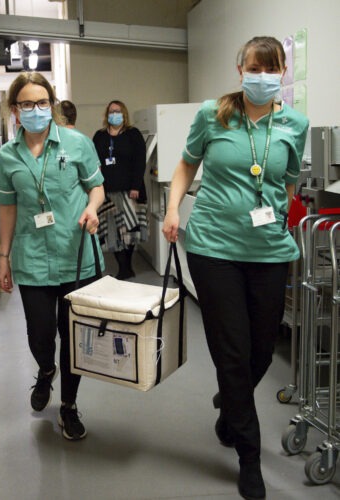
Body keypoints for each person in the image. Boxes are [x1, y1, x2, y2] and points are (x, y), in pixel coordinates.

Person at [162, 36, 308, 499]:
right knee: (232, 349)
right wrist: (172, 208)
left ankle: (230, 404)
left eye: (271, 69)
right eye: (254, 68)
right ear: (239, 69)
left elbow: (287, 184)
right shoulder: (214, 114)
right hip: (214, 248)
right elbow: (186, 165)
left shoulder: (295, 123)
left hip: (268, 251)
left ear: (282, 72)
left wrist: (273, 216)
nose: (262, 76)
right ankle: (249, 455)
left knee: (260, 352)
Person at [0, 71, 105, 441]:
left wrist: (92, 209)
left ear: (52, 104)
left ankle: (69, 407)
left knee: (74, 337)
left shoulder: (76, 143)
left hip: (76, 256)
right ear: (15, 110)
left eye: (43, 103)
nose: (37, 110)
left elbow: (97, 189)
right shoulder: (8, 156)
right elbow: (7, 208)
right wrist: (3, 256)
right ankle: (45, 371)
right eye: (27, 104)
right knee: (40, 334)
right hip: (33, 258)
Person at [93, 100, 148, 279]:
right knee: (111, 232)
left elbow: (140, 161)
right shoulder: (100, 136)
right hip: (107, 191)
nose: (114, 114)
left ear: (124, 114)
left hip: (129, 191)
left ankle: (128, 266)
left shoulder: (133, 134)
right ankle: (122, 266)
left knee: (130, 230)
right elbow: (94, 160)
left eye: (117, 111)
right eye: (111, 111)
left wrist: (135, 185)